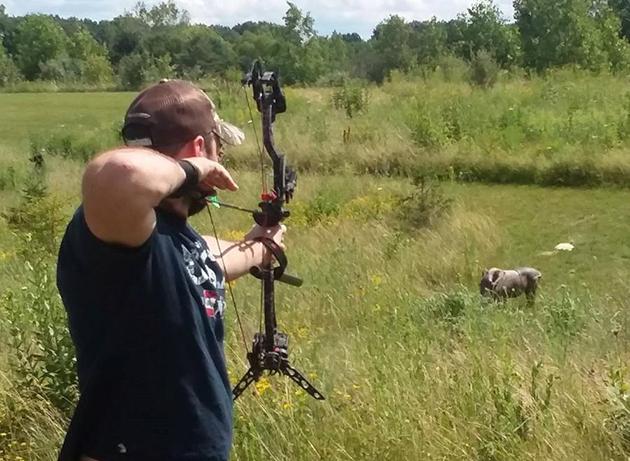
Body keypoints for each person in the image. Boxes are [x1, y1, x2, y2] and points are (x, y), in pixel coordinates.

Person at [56, 79, 285, 461]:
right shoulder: (118, 229)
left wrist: (264, 245)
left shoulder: (168, 238)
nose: (221, 159)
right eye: (218, 149)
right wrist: (196, 169)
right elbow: (117, 171)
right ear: (200, 148)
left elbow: (207, 263)